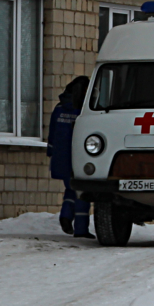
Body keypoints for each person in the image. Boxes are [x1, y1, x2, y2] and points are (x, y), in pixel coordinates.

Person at [47, 76, 93, 238]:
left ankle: (66, 216)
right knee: (82, 192)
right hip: (78, 157)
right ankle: (80, 229)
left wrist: (51, 153)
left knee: (70, 189)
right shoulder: (83, 111)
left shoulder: (59, 109)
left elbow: (52, 134)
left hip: (60, 157)